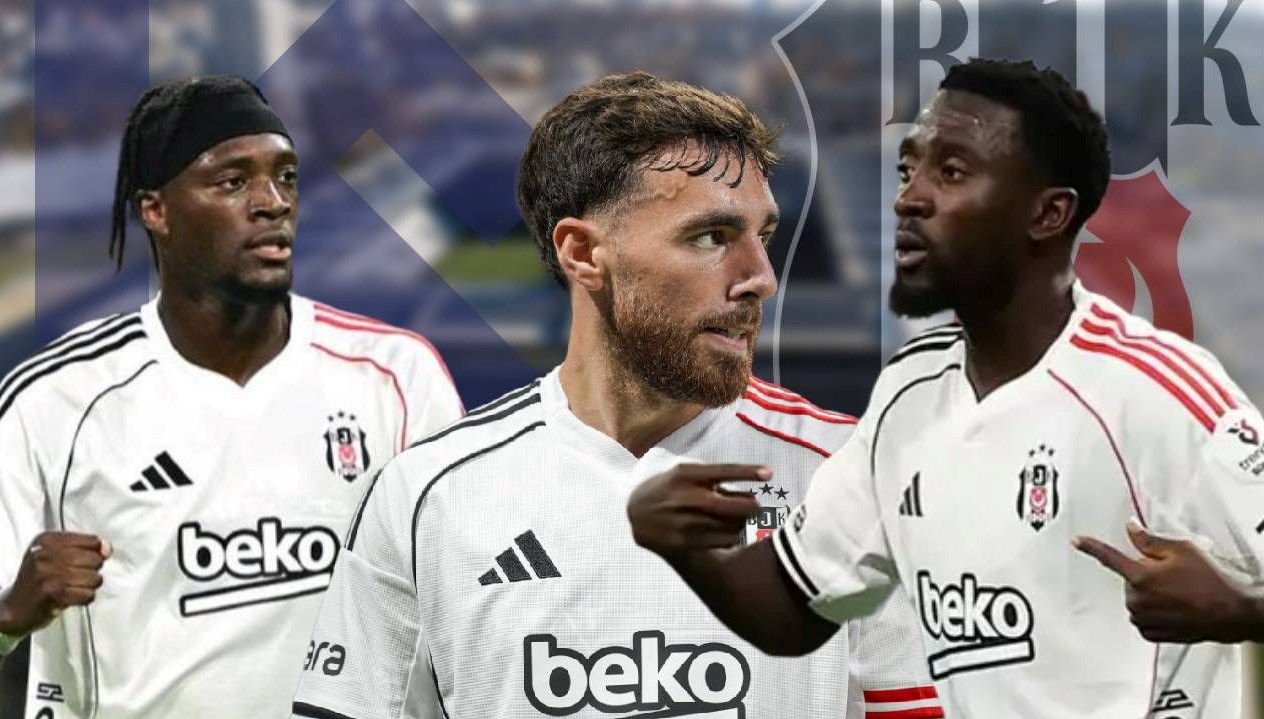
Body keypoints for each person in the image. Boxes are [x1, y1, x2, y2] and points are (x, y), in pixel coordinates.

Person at [625, 58, 1264, 718]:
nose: (909, 198)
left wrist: (1241, 607)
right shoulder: (908, 395)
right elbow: (793, 609)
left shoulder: (1155, 393)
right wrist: (682, 546)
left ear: (1048, 214)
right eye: (909, 169)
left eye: (952, 172)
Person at [291, 71, 939, 719]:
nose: (760, 278)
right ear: (582, 253)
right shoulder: (426, 496)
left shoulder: (851, 475)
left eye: (762, 236)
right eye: (711, 237)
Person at [0, 75, 464, 718]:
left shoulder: (396, 378)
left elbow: (473, 603)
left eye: (286, 177)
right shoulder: (54, 402)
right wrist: (10, 613)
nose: (273, 202)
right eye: (232, 181)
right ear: (156, 211)